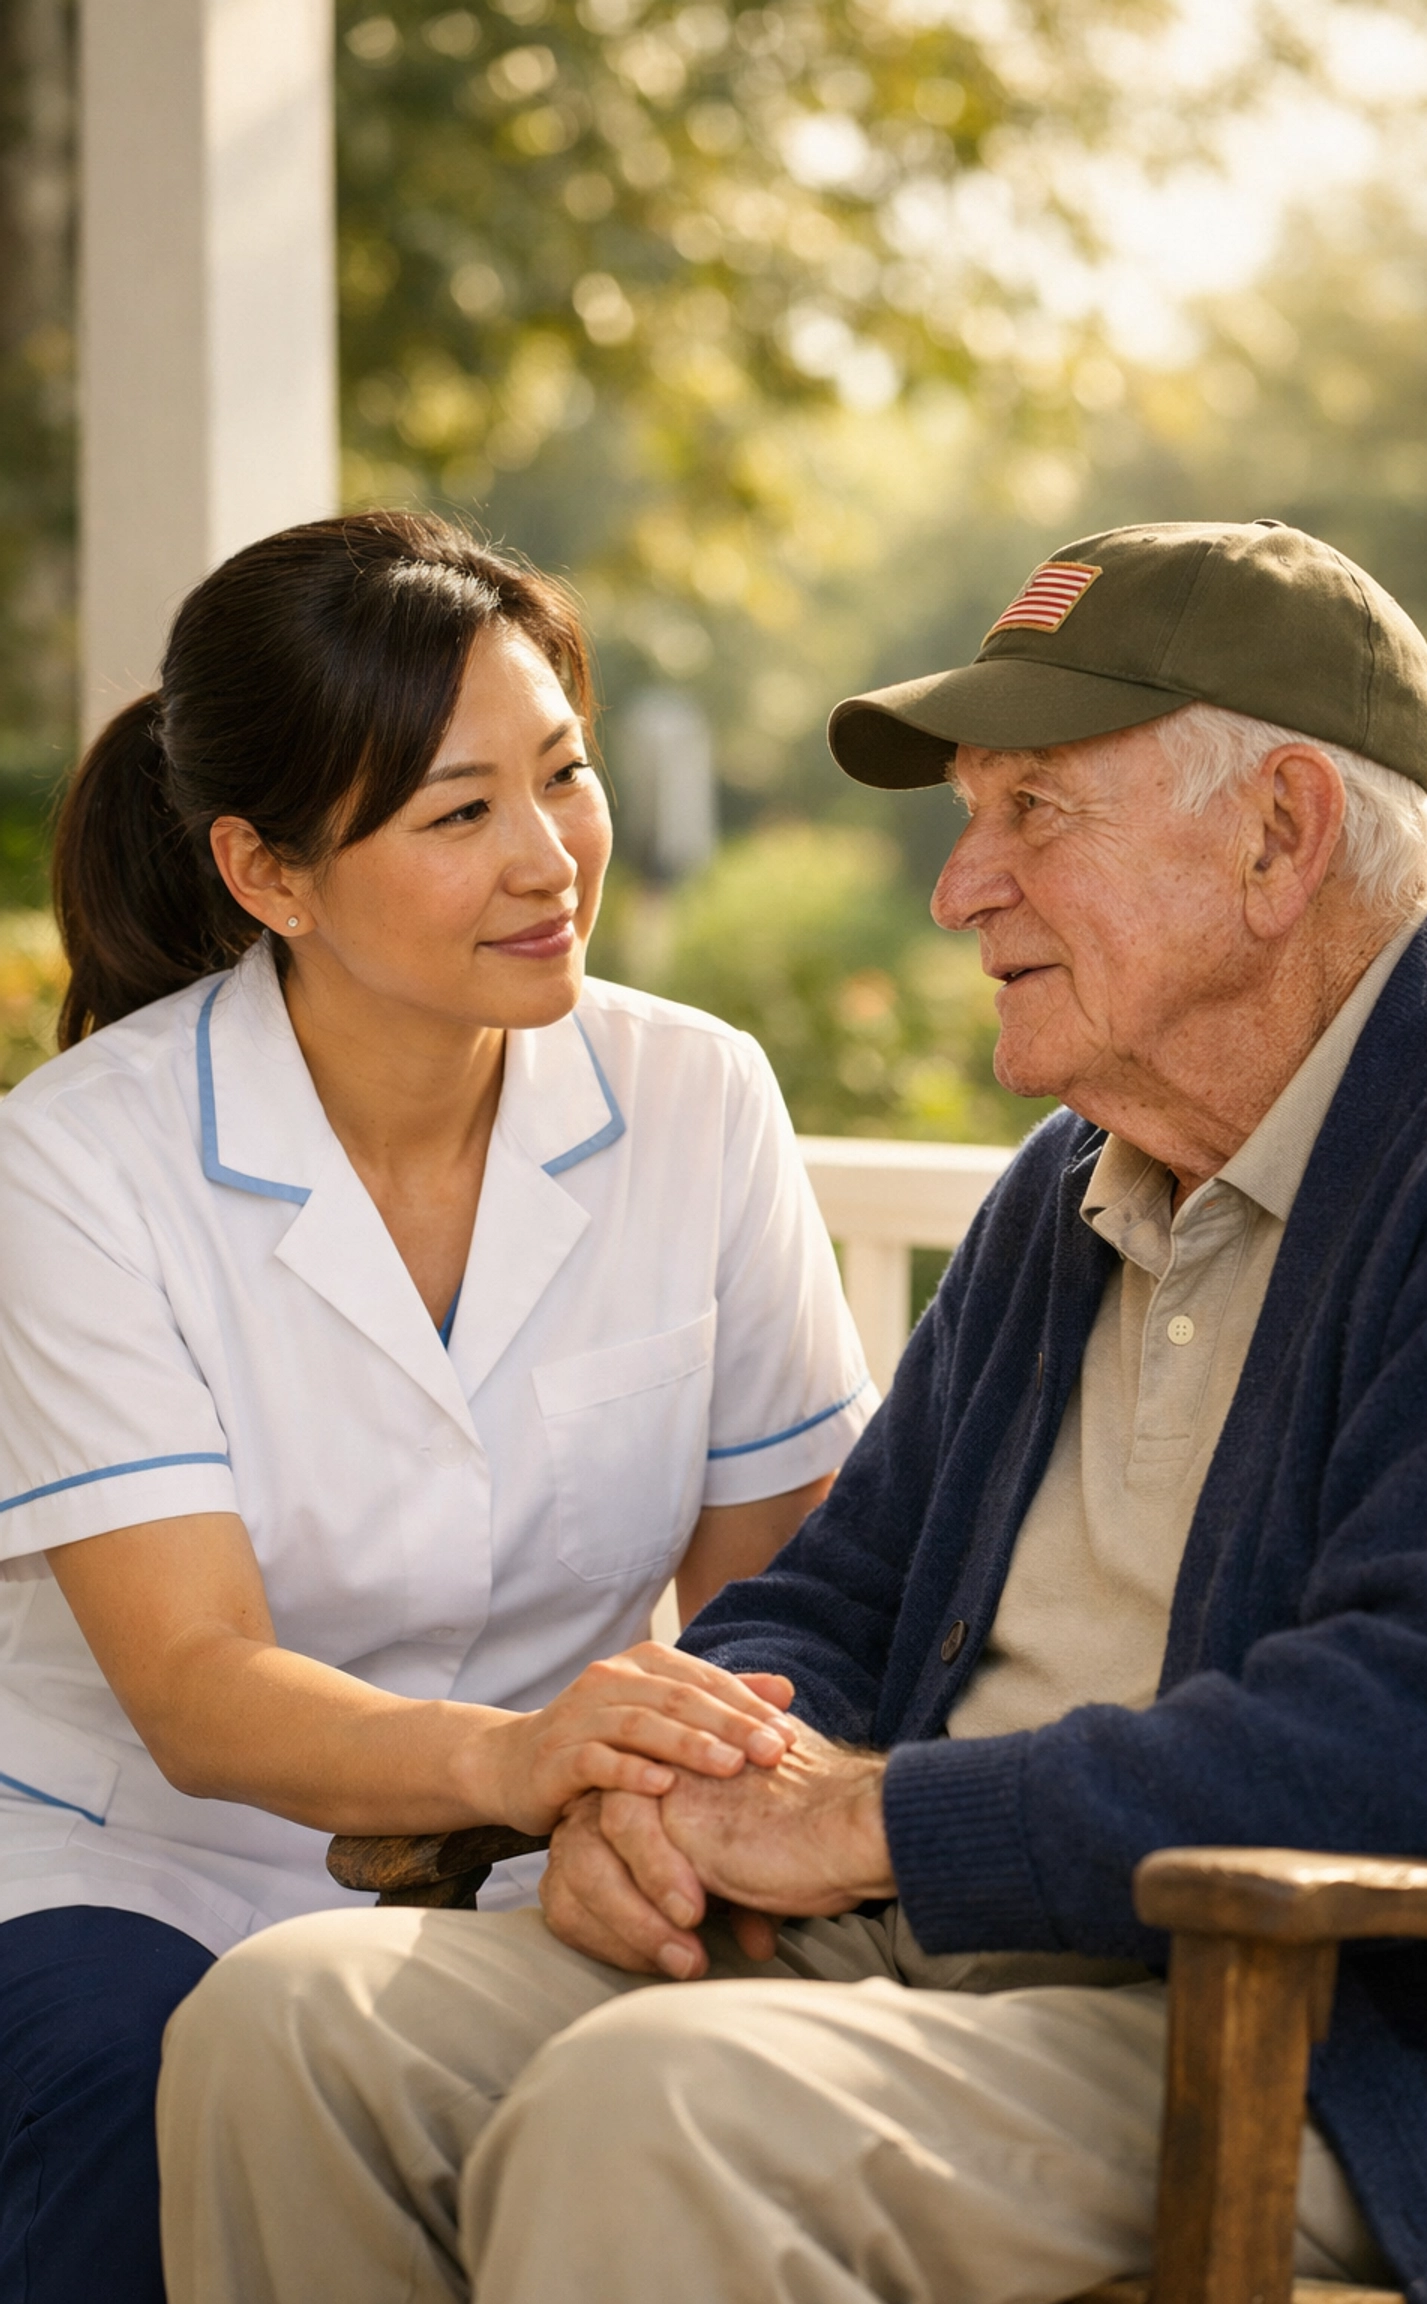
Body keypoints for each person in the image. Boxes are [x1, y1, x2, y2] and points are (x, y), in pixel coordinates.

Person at [159, 520, 1427, 2304]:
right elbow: (843, 1587)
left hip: (1308, 2034)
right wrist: (673, 1800)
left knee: (667, 2108)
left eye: (1036, 812)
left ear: (1281, 833)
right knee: (296, 2025)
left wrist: (885, 1820)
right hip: (929, 1959)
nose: (960, 888)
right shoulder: (1077, 1185)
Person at [0, 510, 872, 2304]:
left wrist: (679, 1817)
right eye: (459, 815)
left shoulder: (697, 1097)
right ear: (268, 874)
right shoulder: (75, 1165)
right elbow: (198, 1690)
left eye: (563, 774)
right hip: (135, 1870)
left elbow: (781, 1589)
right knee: (149, 2109)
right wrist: (517, 1759)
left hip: (546, 1877)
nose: (552, 857)